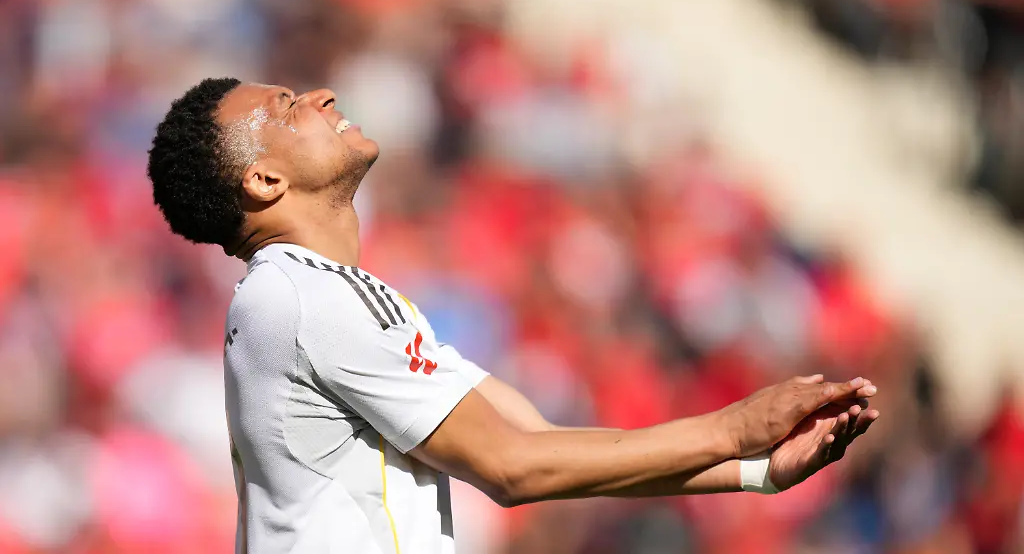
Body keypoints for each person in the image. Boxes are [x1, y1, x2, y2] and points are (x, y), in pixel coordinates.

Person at [146, 78, 880, 554]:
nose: (320, 95)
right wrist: (731, 429)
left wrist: (752, 470)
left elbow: (540, 444)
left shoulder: (322, 297)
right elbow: (512, 467)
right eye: (286, 107)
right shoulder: (309, 297)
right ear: (264, 179)